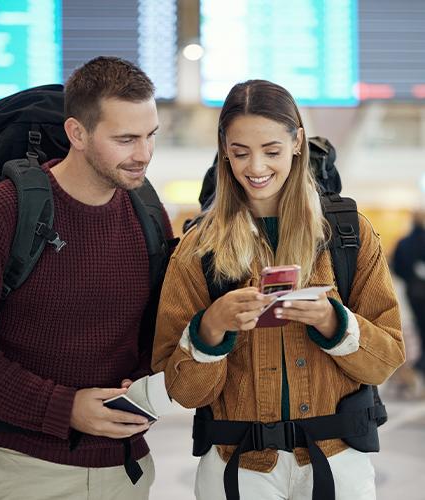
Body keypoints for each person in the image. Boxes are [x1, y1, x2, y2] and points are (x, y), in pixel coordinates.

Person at [0, 56, 172, 500]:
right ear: (77, 133)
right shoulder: (2, 211)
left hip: (125, 470)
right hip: (22, 469)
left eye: (151, 135)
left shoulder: (148, 215)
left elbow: (149, 334)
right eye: (125, 139)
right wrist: (64, 408)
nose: (144, 154)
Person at [152, 79, 405, 500]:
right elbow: (182, 391)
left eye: (271, 150)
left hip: (336, 462)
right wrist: (209, 331)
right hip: (238, 467)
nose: (256, 167)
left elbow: (387, 359)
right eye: (239, 152)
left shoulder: (347, 233)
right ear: (223, 149)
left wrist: (334, 322)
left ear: (297, 142)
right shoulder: (198, 249)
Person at [392, 207, 425, 378]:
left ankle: (421, 360)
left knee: (419, 324)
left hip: (413, 291)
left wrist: (410, 278)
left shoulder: (404, 242)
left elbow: (396, 267)